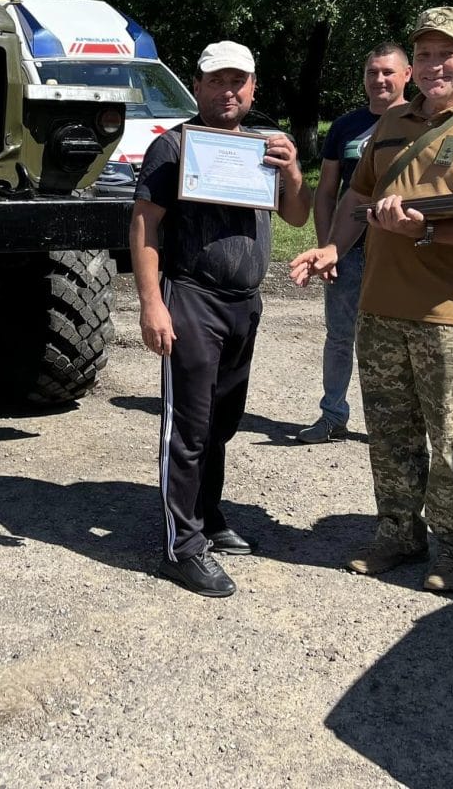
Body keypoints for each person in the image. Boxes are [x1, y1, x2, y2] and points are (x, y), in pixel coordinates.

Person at [290, 7, 453, 593]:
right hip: (380, 307)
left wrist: (420, 232)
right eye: (423, 54)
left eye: (447, 53)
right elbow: (358, 199)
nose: (433, 65)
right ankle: (399, 533)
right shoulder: (393, 120)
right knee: (390, 435)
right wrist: (332, 248)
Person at [131, 40, 311, 597]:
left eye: (239, 81)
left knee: (222, 423)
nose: (228, 91)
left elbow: (299, 215)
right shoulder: (174, 147)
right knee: (187, 428)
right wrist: (151, 303)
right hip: (192, 297)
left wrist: (294, 171)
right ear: (199, 85)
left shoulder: (266, 147)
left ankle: (208, 515)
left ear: (254, 87)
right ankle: (181, 546)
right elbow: (144, 224)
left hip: (244, 304)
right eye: (216, 81)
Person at [297, 43, 412, 444]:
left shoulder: (422, 124)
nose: (379, 80)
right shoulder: (345, 127)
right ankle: (332, 415)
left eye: (388, 72)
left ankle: (392, 426)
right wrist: (328, 247)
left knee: (399, 340)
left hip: (400, 251)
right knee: (340, 335)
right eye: (372, 72)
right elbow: (327, 192)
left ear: (407, 76)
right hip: (350, 250)